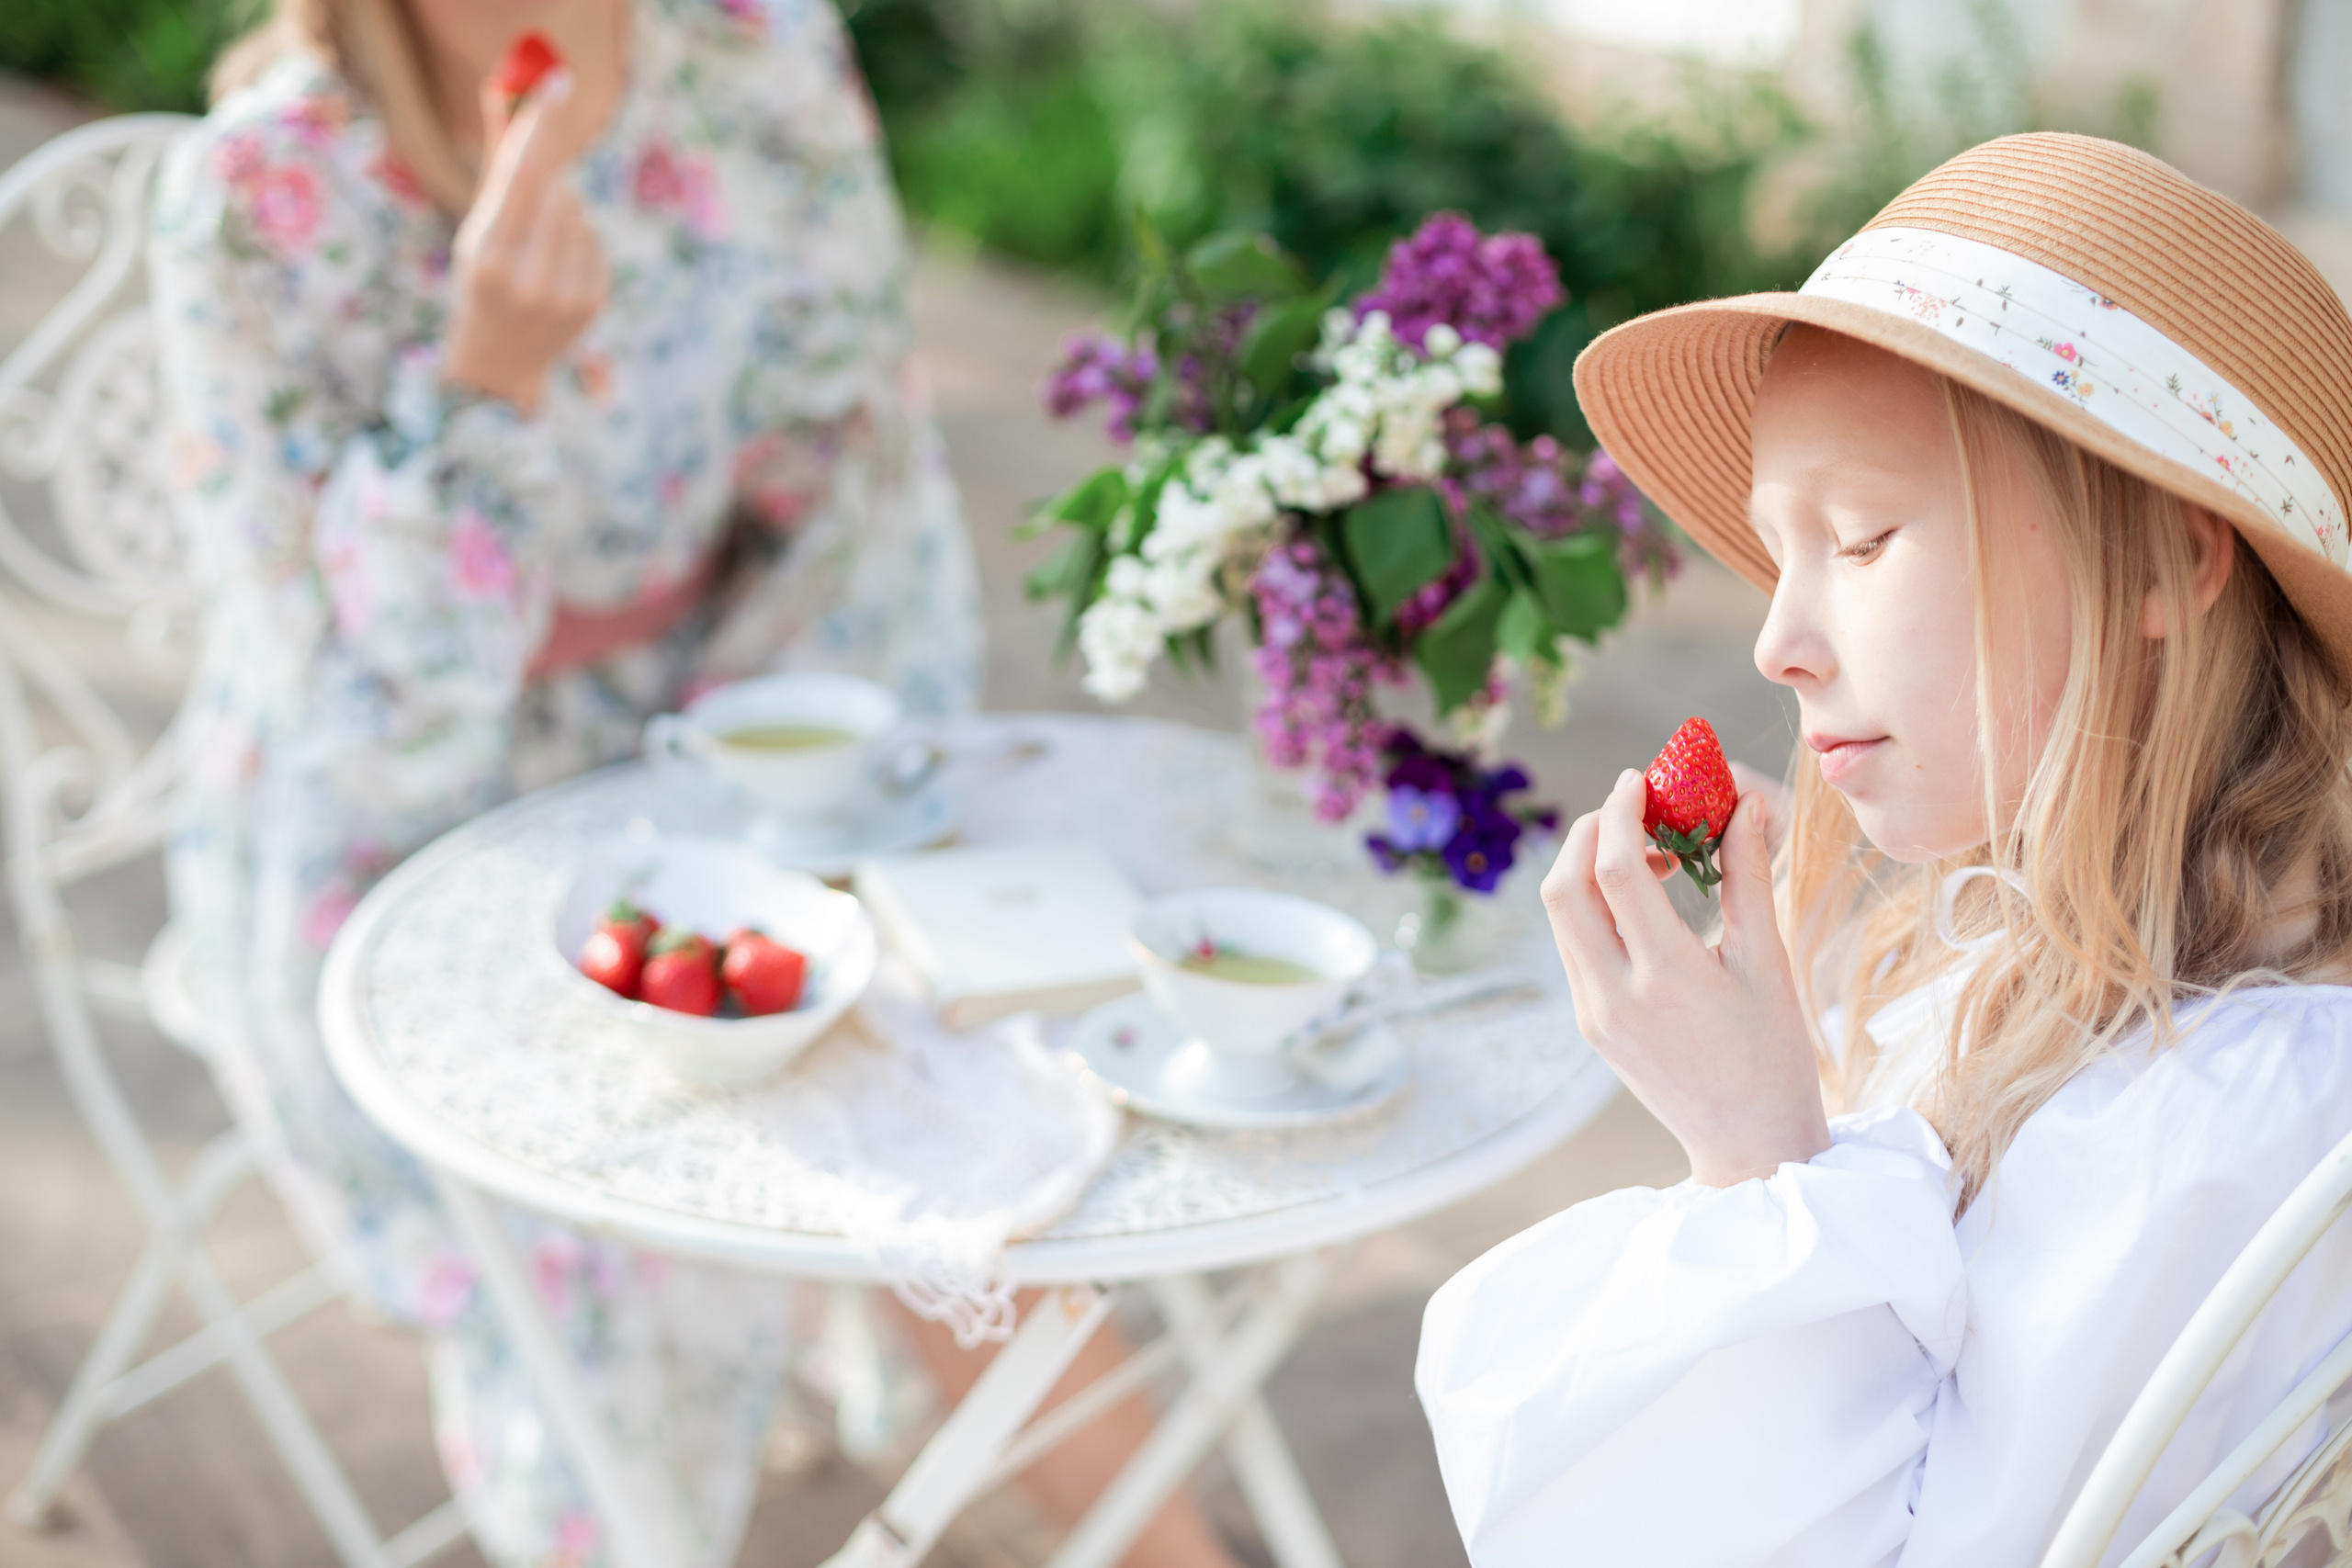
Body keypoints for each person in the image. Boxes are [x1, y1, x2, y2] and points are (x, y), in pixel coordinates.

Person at [149, 4, 1232, 1565]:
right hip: (400, 846)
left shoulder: (755, 59)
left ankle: (1171, 1550)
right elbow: (356, 714)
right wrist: (485, 382)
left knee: (964, 1078)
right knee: (637, 1233)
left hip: (742, 727)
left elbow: (851, 469)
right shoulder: (258, 194)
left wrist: (786, 819)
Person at [1415, 132, 2352, 1564]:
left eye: (1859, 539)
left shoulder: (2230, 1121)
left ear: (2168, 561)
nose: (1777, 644)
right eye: (1775, 551)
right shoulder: (1987, 950)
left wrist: (1755, 1151)